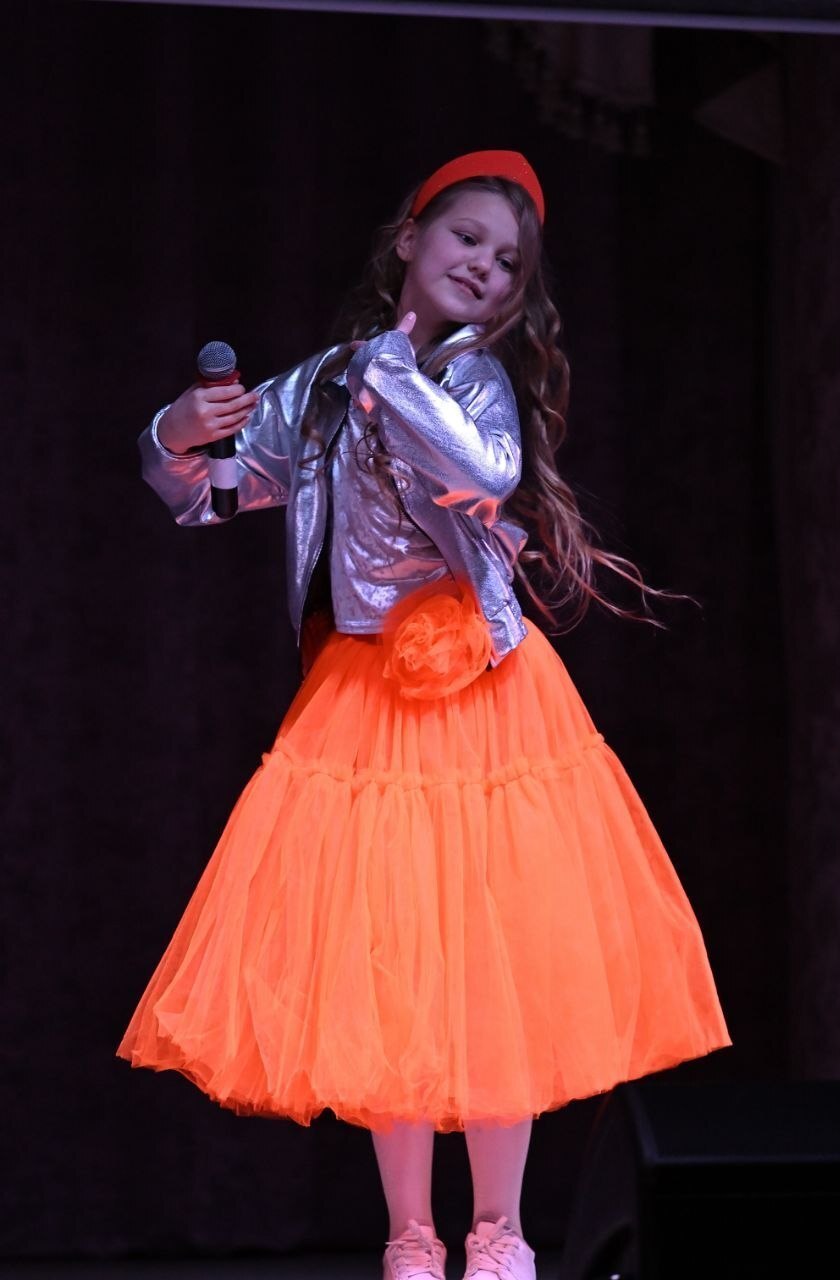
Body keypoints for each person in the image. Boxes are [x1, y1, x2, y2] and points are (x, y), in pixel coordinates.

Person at [117, 150, 730, 1280]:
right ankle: (410, 1231)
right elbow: (213, 495)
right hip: (365, 692)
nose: (485, 266)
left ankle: (498, 1229)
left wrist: (391, 372)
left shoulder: (471, 379)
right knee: (384, 954)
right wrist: (174, 433)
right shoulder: (323, 385)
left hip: (485, 693)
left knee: (498, 951)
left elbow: (482, 471)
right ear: (409, 241)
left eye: (508, 262)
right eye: (466, 239)